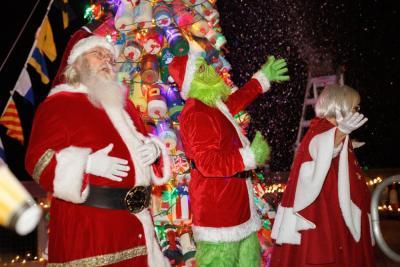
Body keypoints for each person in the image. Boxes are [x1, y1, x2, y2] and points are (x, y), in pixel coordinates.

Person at [25, 35, 172, 267]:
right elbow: (37, 160)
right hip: (90, 231)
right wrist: (86, 164)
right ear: (78, 63)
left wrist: (154, 151)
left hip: (137, 228)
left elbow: (143, 143)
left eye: (111, 59)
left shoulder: (126, 106)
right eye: (98, 54)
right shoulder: (59, 103)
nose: (107, 61)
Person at [167, 41, 290, 266]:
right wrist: (249, 156)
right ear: (193, 79)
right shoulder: (196, 112)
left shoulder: (213, 106)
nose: (212, 70)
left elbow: (236, 100)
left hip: (238, 204)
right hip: (219, 211)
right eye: (202, 68)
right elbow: (207, 162)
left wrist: (261, 79)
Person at [270, 84, 375, 267]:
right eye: (354, 106)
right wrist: (340, 135)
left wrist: (346, 142)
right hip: (326, 212)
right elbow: (321, 146)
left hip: (333, 207)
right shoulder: (321, 129)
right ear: (340, 104)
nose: (357, 110)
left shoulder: (331, 131)